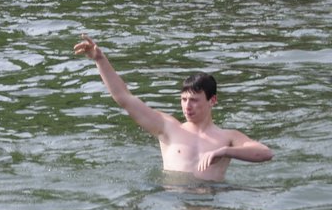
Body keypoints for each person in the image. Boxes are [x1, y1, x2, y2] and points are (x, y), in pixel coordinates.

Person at [73, 35, 273, 181]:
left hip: (212, 198)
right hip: (172, 199)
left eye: (194, 100)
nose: (187, 106)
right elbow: (124, 98)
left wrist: (224, 152)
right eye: (184, 99)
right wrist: (100, 59)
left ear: (212, 101)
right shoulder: (168, 127)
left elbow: (265, 153)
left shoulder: (228, 137)